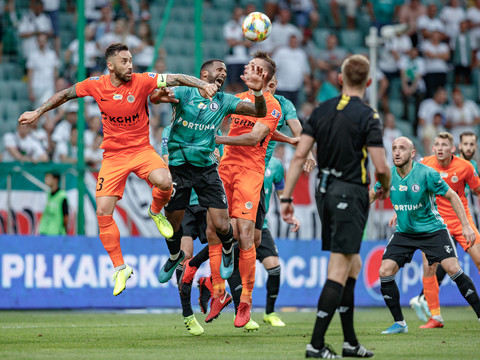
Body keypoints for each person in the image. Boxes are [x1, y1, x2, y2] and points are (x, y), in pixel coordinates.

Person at [18, 42, 218, 297]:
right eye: (124, 61)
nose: (130, 65)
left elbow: (176, 77)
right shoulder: (95, 84)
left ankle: (155, 211)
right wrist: (38, 111)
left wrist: (204, 85)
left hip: (142, 150)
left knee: (166, 182)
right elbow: (66, 93)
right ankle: (120, 268)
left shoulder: (142, 81)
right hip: (113, 156)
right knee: (103, 212)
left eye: (131, 60)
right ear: (110, 65)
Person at [281, 54, 390, 359]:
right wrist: (386, 185)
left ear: (340, 79)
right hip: (350, 193)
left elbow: (300, 155)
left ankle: (350, 342)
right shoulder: (369, 116)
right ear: (368, 83)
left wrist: (286, 198)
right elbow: (380, 165)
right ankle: (315, 345)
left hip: (324, 192)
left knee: (352, 264)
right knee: (340, 268)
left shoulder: (320, 110)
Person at [149, 56, 267, 320]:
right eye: (219, 69)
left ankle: (226, 248)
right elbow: (155, 98)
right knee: (173, 223)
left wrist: (258, 92)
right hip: (179, 168)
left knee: (223, 225)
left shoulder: (225, 101)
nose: (224, 73)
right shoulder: (185, 92)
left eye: (226, 70)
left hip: (206, 170)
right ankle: (172, 256)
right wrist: (161, 93)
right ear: (205, 73)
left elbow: (259, 112)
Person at [370, 136, 480, 335]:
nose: (396, 152)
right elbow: (372, 194)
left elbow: (453, 195)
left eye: (402, 148)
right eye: (394, 148)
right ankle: (400, 323)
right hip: (405, 232)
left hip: (432, 230)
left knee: (453, 268)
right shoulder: (387, 174)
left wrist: (466, 225)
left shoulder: (427, 173)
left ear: (412, 154)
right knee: (385, 271)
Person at [214, 51, 283, 328]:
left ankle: (246, 300)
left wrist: (218, 138)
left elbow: (255, 137)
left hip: (249, 174)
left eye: (254, 67)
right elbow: (217, 116)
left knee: (246, 234)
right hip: (225, 169)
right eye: (248, 66)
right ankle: (218, 287)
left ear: (264, 75)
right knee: (217, 229)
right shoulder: (237, 100)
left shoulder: (272, 105)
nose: (247, 69)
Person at [408, 132, 480, 328]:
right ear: (433, 148)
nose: (439, 148)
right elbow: (412, 188)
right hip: (435, 223)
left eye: (444, 145)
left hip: (461, 221)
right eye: (437, 145)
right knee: (429, 266)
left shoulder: (465, 167)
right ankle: (436, 317)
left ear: (452, 149)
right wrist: (400, 213)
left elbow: (478, 189)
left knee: (479, 259)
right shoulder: (424, 164)